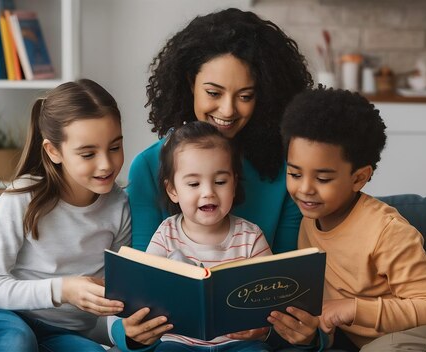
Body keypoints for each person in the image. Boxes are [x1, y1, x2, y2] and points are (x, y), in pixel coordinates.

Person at [267, 87, 426, 352]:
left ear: (359, 178)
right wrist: (312, 334)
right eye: (295, 174)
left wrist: (353, 308)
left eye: (323, 179)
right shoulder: (308, 221)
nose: (305, 188)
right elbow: (330, 318)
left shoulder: (386, 230)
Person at [127, 7, 313, 255]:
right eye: (213, 93)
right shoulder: (148, 167)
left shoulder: (286, 171)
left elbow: (285, 273)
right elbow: (144, 273)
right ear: (191, 83)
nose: (227, 110)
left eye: (245, 96)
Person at [0, 79, 131, 352]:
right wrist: (63, 290)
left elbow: (115, 294)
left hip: (65, 335)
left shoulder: (120, 205)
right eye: (88, 153)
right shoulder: (22, 197)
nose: (106, 164)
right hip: (6, 319)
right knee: (18, 342)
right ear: (53, 151)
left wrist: (120, 333)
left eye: (114, 147)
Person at [112, 121, 273, 352]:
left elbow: (270, 299)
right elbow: (146, 288)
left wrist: (261, 329)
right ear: (173, 190)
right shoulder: (166, 234)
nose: (208, 192)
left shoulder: (251, 236)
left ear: (234, 184)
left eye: (220, 182)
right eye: (194, 183)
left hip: (238, 344)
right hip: (179, 342)